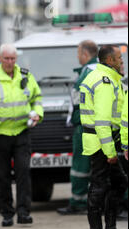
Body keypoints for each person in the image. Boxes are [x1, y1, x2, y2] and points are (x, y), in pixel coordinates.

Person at [0, 43, 44, 227]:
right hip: (0, 135)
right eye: (6, 58)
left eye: (12, 58)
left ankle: (24, 212)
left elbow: (37, 98)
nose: (9, 62)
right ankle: (7, 213)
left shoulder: (25, 75)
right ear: (0, 59)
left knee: (24, 172)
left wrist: (38, 112)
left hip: (22, 132)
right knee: (2, 176)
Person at [79, 45, 128, 229]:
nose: (122, 62)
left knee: (118, 183)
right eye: (120, 59)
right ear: (110, 61)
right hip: (100, 143)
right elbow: (102, 121)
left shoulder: (104, 78)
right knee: (99, 186)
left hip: (103, 140)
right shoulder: (104, 82)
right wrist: (110, 152)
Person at [58, 40, 98, 215]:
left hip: (85, 126)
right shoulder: (93, 70)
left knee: (81, 166)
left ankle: (78, 202)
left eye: (78, 53)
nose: (77, 56)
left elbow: (80, 103)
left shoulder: (89, 72)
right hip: (89, 125)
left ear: (85, 54)